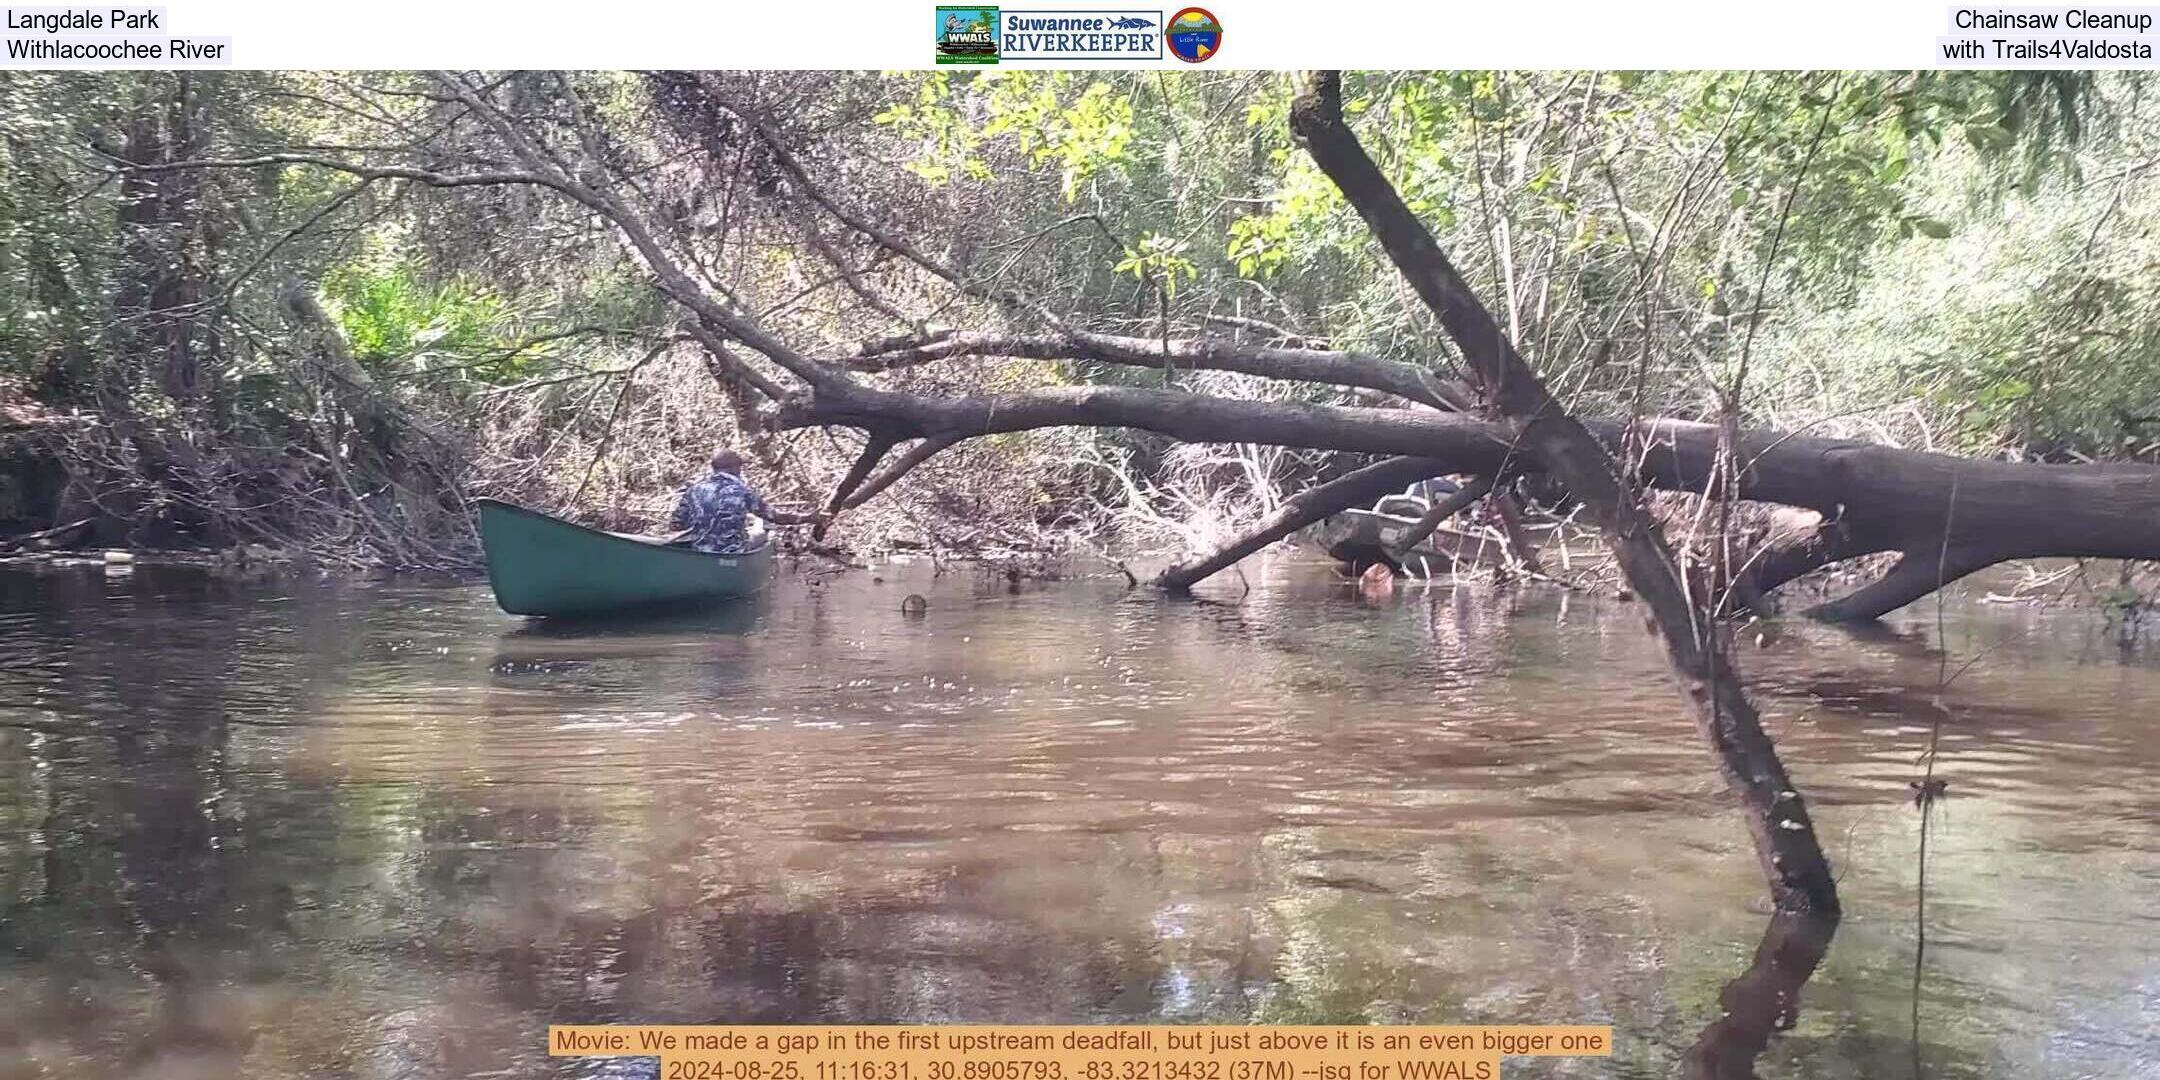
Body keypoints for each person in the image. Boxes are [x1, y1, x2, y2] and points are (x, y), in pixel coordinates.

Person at [671, 449, 825, 554]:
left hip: (700, 551)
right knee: (763, 533)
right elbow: (776, 517)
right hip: (733, 552)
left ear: (714, 468)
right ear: (736, 468)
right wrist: (808, 518)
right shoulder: (742, 491)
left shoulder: (694, 490)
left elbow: (676, 525)